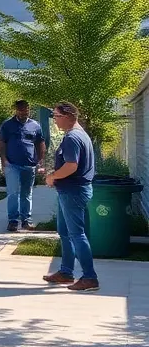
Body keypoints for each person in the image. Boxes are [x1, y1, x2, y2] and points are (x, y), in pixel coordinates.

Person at [43, 102, 99, 292]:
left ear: (68, 116)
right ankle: (66, 272)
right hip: (70, 191)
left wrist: (52, 176)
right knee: (65, 233)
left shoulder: (73, 138)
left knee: (76, 234)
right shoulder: (79, 135)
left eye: (56, 116)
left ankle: (90, 277)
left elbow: (71, 166)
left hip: (73, 192)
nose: (55, 120)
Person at [0, 99, 46, 231]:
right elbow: (1, 143)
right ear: (16, 110)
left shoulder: (35, 125)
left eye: (26, 108)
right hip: (12, 165)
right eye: (20, 109)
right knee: (13, 193)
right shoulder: (7, 125)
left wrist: (40, 160)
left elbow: (40, 143)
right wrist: (4, 160)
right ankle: (13, 220)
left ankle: (26, 220)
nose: (23, 111)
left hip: (29, 165)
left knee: (26, 193)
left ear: (29, 109)